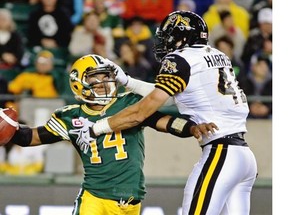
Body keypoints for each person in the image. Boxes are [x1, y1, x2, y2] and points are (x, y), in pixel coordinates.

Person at [3, 54, 217, 215]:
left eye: (107, 77)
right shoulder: (70, 117)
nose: (105, 82)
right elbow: (30, 137)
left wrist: (191, 128)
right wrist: (7, 127)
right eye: (97, 78)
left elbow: (165, 122)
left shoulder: (129, 103)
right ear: (80, 83)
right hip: (94, 199)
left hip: (131, 201)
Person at [91, 11, 258, 215]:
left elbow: (141, 112)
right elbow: (172, 95)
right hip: (244, 157)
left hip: (221, 153)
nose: (167, 43)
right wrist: (127, 81)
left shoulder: (181, 59)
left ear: (184, 36)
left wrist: (98, 127)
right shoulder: (216, 55)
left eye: (170, 37)